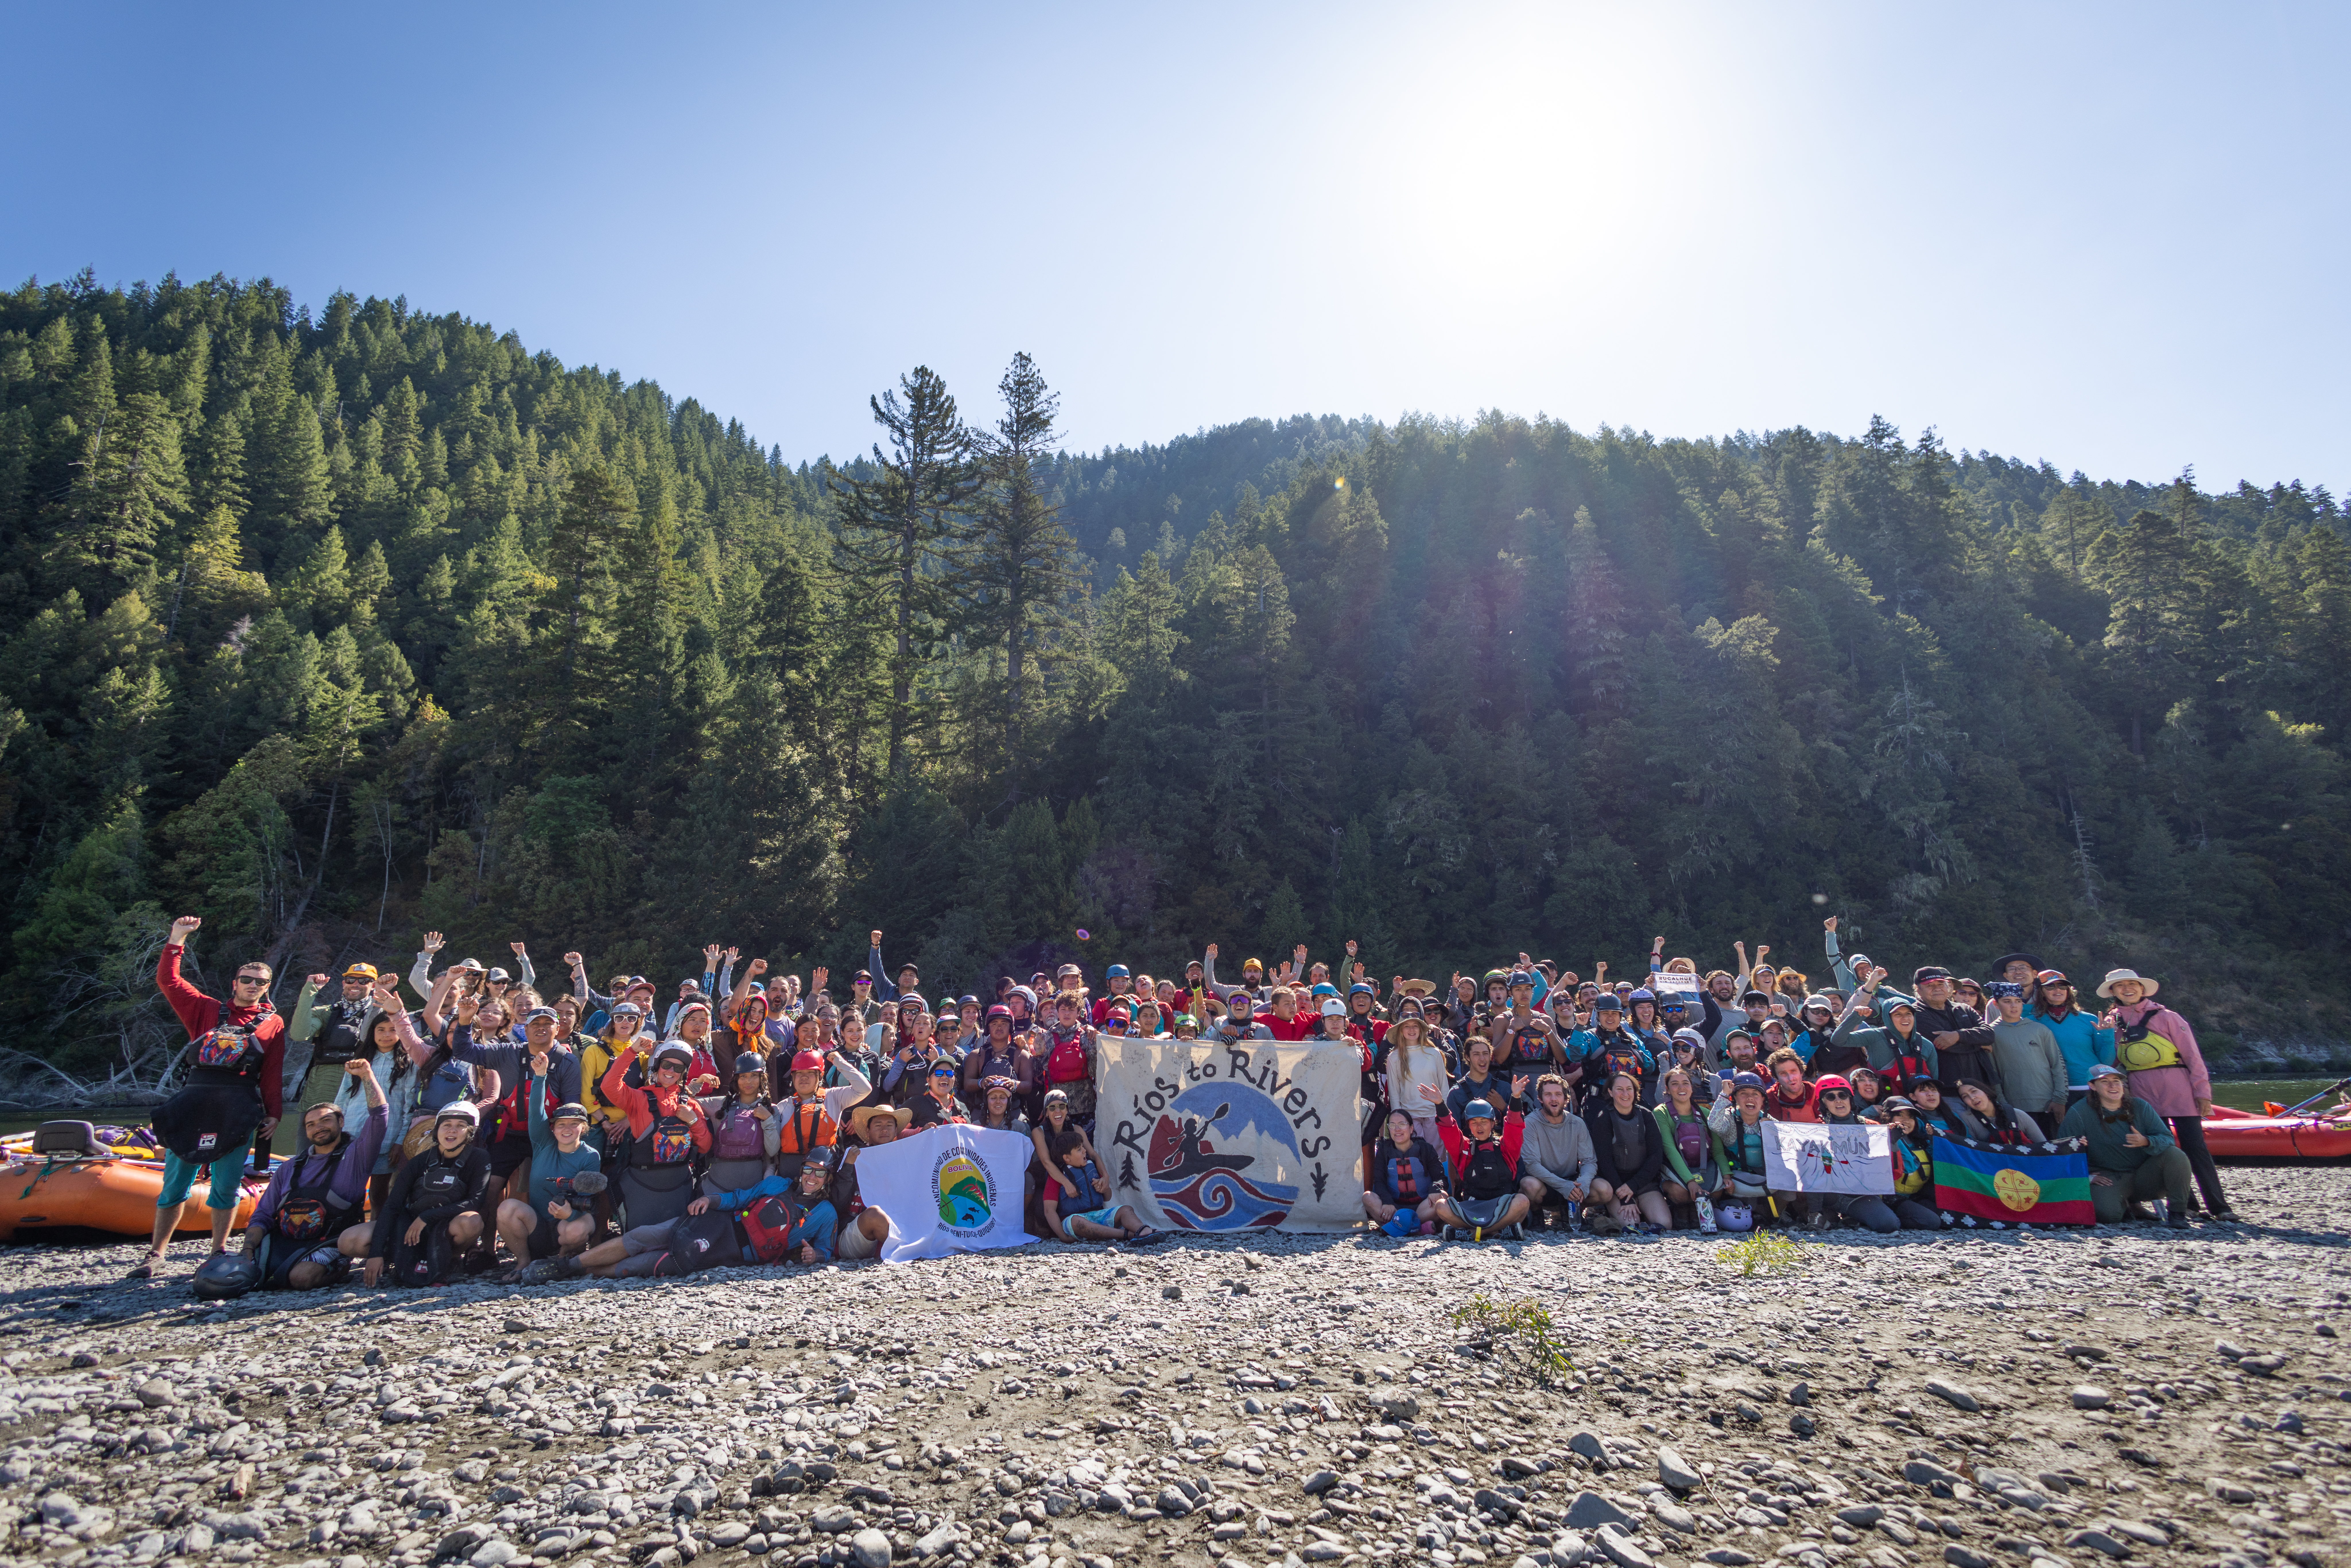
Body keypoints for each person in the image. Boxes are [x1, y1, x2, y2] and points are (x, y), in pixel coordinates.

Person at [136, 915, 289, 1280]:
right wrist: (177, 939)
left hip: (239, 1107)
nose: (252, 985)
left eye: (260, 982)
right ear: (235, 983)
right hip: (195, 1104)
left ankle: (218, 1250)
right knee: (176, 1182)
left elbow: (272, 1071)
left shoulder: (273, 1023)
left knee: (227, 1184)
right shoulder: (205, 1009)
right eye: (247, 980)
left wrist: (274, 1113)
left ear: (267, 988)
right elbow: (169, 981)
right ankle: (156, 1253)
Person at [2097, 967, 2233, 1221]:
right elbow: (2110, 1063)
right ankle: (2188, 1204)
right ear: (2113, 992)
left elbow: (2193, 1057)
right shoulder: (2111, 1022)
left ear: (2142, 988)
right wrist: (2104, 1035)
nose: (2127, 989)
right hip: (2142, 1092)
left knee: (2195, 1148)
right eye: (2120, 986)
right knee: (2161, 1150)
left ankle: (2220, 1207)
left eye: (2132, 984)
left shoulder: (2168, 1017)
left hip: (2179, 1089)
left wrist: (2203, 1093)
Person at [242, 1057, 389, 1289]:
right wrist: (248, 1249)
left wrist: (366, 1076)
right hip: (285, 1239)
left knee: (301, 1279)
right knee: (242, 1276)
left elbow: (380, 1116)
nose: (318, 1128)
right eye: (311, 1125)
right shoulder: (289, 1167)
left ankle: (340, 1267)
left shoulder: (357, 1156)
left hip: (331, 1241)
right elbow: (263, 1215)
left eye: (325, 1121)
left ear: (341, 1122)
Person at [355, 1101, 490, 1287]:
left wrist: (427, 1217)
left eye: (461, 1126)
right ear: (437, 1130)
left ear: (470, 1132)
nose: (452, 1130)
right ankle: (397, 1258)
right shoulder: (418, 1162)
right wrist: (375, 1254)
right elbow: (393, 1206)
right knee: (349, 1240)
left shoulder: (480, 1158)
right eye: (447, 1125)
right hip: (411, 1230)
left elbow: (474, 1202)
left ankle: (449, 1258)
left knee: (472, 1221)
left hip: (448, 1228)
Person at [2060, 1064, 2196, 1228]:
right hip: (2108, 1177)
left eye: (2117, 1081)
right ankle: (2125, 1207)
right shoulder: (2078, 1112)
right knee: (2107, 1215)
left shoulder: (2141, 1106)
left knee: (2176, 1155)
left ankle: (2177, 1213)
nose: (2113, 1086)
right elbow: (2063, 1151)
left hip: (2145, 1175)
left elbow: (2167, 1139)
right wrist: (2087, 1176)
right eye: (2105, 1082)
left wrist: (2146, 1141)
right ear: (2092, 1086)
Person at [599, 1041, 713, 1229]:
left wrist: (693, 1121)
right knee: (638, 1240)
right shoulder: (638, 1099)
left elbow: (706, 1146)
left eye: (679, 1068)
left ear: (683, 1073)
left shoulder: (690, 1105)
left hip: (679, 1187)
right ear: (657, 1066)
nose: (671, 1071)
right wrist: (632, 1052)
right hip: (642, 1186)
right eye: (667, 1065)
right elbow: (609, 1086)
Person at [281, 963, 384, 1154]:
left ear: (373, 987)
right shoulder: (325, 1012)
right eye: (351, 980)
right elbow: (299, 1034)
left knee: (354, 1153)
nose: (356, 984)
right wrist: (309, 992)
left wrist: (383, 997)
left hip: (359, 1090)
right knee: (308, 1152)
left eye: (364, 981)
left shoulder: (381, 1014)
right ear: (344, 984)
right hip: (319, 1091)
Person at [1425, 1100, 1531, 1241]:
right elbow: (1449, 1130)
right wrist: (1440, 1104)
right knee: (1441, 1206)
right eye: (1474, 1122)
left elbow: (1515, 1126)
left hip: (1502, 1205)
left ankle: (1473, 1234)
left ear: (1493, 1123)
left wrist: (1516, 1098)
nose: (1479, 1127)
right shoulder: (1464, 1149)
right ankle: (1498, 1232)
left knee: (1523, 1201)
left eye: (1484, 1122)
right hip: (1472, 1208)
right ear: (1469, 1125)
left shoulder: (1506, 1148)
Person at [1583, 1071, 1671, 1233]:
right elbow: (1604, 1161)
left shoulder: (1647, 1115)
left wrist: (1634, 1185)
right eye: (1620, 1089)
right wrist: (1623, 1194)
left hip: (1643, 1182)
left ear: (1636, 1092)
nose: (1625, 1094)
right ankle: (1615, 1209)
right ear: (1610, 1092)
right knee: (1631, 1225)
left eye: (1629, 1089)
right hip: (1616, 1184)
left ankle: (1642, 1205)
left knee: (1664, 1224)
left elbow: (1656, 1156)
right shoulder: (1604, 1118)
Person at [828, 1102, 911, 1260]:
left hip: (895, 1228)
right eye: (878, 1125)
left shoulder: (904, 1159)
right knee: (875, 1215)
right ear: (868, 1131)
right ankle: (912, 1250)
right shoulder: (854, 1156)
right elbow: (838, 1204)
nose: (884, 1130)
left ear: (896, 1131)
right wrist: (848, 1166)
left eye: (889, 1125)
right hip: (855, 1233)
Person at [1517, 1074, 1598, 1233]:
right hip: (1544, 1184)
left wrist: (1584, 1184)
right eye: (1548, 1094)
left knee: (1604, 1190)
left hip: (1572, 1181)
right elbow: (1532, 1165)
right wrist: (1563, 1186)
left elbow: (1589, 1161)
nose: (1553, 1099)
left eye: (1558, 1094)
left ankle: (1571, 1212)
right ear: (1540, 1099)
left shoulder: (1577, 1123)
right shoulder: (1531, 1123)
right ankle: (1536, 1215)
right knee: (1529, 1186)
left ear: (1566, 1099)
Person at [2026, 969, 2113, 1111]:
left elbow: (2106, 1062)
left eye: (2062, 986)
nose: (2058, 990)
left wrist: (2108, 1037)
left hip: (2091, 1088)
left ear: (2068, 990)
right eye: (2051, 986)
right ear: (2041, 992)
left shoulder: (2089, 1019)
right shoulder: (2031, 1023)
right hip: (2054, 1092)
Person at [699, 1052, 782, 1198]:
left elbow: (773, 1151)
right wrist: (699, 1082)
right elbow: (684, 1102)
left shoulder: (771, 1110)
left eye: (754, 1076)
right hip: (717, 1185)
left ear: (762, 1078)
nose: (748, 1081)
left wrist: (768, 1120)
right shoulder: (720, 1105)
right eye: (743, 1076)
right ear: (736, 1079)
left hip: (753, 1189)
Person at [1984, 982, 2066, 1129]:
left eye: (2018, 1001)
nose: (2014, 1006)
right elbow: (1992, 1073)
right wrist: (2002, 1103)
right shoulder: (1990, 1034)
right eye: (2007, 1002)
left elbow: (2058, 1065)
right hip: (2014, 1106)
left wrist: (2060, 1099)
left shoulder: (2040, 1030)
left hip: (2048, 1105)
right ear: (1996, 1004)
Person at [1650, 1065, 1722, 1232]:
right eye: (1675, 1084)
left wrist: (1726, 1175)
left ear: (1692, 1087)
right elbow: (1669, 1149)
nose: (1681, 1088)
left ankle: (1696, 1210)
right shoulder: (1661, 1112)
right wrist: (1691, 1182)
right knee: (1681, 1193)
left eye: (1685, 1083)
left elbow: (1718, 1151)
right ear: (1668, 1089)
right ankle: (1682, 1209)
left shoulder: (1706, 1113)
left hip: (1702, 1167)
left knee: (1717, 1191)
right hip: (1674, 1168)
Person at [1908, 966, 2000, 1096]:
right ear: (1918, 990)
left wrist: (1958, 1036)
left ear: (1948, 987)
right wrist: (1979, 1044)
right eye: (1930, 986)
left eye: (1941, 984)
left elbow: (1989, 1035)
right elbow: (1943, 1045)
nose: (1937, 989)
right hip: (1948, 1088)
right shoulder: (1915, 1013)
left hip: (1982, 1083)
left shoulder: (1964, 1008)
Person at [1365, 1108, 1450, 1237]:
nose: (1397, 1129)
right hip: (1395, 1208)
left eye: (1402, 1125)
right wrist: (1388, 1203)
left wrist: (1435, 1189)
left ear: (1411, 1129)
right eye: (1392, 1125)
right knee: (1367, 1197)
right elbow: (1379, 1181)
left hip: (1423, 1208)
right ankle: (1419, 1229)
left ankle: (1396, 1227)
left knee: (1443, 1196)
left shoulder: (1426, 1149)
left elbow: (1441, 1178)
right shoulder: (1384, 1150)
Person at [1383, 1010, 1450, 1146]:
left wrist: (1445, 1114)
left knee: (1437, 1154)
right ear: (1401, 1030)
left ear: (1421, 1029)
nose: (1412, 1030)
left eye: (1416, 1026)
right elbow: (1394, 1092)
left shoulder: (1435, 1054)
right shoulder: (1394, 1058)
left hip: (1435, 1114)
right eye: (1407, 1026)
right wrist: (1399, 1120)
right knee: (1415, 1154)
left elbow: (1444, 1086)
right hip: (1409, 1116)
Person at [1878, 1098, 1946, 1229]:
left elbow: (1937, 1163)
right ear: (1888, 1117)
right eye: (1900, 1115)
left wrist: (1933, 1139)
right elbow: (1908, 1168)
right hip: (1890, 1197)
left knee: (1947, 1216)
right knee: (1932, 1222)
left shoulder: (1920, 1140)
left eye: (1911, 1117)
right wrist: (1893, 1141)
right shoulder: (1881, 1139)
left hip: (1915, 1194)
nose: (1906, 1121)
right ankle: (1887, 1218)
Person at [1762, 1048, 1819, 1122]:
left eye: (1793, 1071)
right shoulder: (1768, 1099)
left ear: (1802, 1072)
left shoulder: (1818, 1094)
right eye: (1783, 1074)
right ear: (1776, 1078)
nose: (1791, 1079)